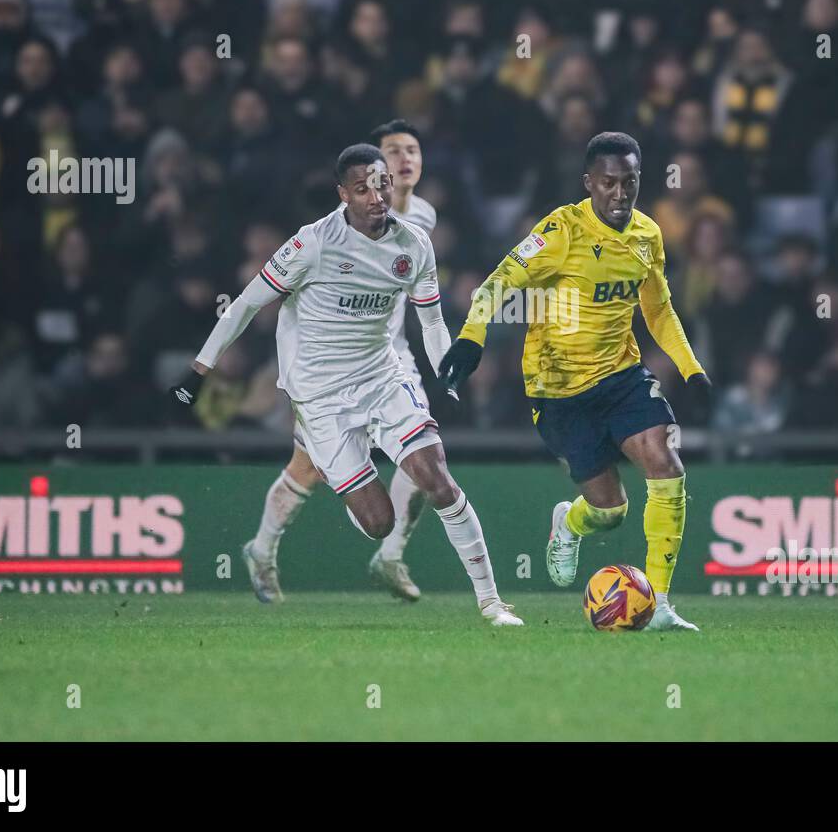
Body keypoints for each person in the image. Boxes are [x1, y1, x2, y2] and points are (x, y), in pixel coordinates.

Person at [171, 143, 521, 627]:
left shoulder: (413, 242)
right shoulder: (312, 244)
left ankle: (491, 602)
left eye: (382, 184)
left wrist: (447, 368)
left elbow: (433, 320)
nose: (377, 195)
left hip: (382, 377)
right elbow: (246, 304)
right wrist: (200, 369)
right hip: (321, 396)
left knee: (435, 477)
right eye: (363, 188)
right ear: (343, 194)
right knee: (379, 523)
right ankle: (287, 533)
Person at [438, 132, 710, 631]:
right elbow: (498, 281)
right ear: (589, 183)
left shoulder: (648, 235)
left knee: (666, 464)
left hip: (621, 376)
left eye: (629, 182)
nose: (619, 193)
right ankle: (570, 520)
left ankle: (660, 604)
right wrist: (472, 338)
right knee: (611, 512)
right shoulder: (560, 231)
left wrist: (691, 369)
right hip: (557, 387)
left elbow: (658, 307)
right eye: (608, 183)